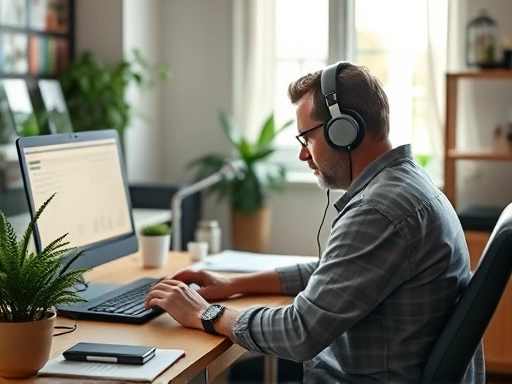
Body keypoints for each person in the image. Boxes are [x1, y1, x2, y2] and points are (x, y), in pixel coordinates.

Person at [145, 62, 485, 383]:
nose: (303, 154)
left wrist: (206, 313)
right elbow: (337, 271)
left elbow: (299, 333)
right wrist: (234, 284)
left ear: (344, 131)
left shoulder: (379, 210)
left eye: (306, 137)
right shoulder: (407, 183)